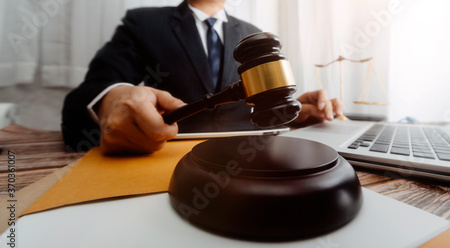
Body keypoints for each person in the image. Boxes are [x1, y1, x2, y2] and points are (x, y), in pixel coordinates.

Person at [62, 0, 345, 154]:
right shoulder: (143, 22)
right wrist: (113, 100)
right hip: (169, 156)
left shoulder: (253, 33)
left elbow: (258, 105)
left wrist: (293, 111)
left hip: (250, 155)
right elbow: (90, 93)